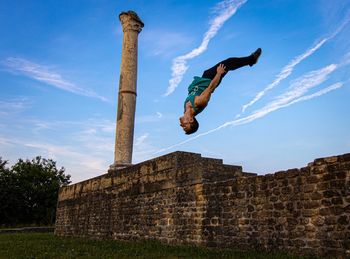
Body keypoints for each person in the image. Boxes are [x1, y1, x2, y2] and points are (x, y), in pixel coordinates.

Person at [179, 48, 262, 134]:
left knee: (225, 64)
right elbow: (211, 88)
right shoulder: (200, 102)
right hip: (210, 79)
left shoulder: (186, 110)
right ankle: (252, 59)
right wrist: (219, 73)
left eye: (183, 127)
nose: (181, 126)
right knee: (228, 63)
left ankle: (251, 60)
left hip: (202, 79)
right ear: (191, 119)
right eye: (185, 126)